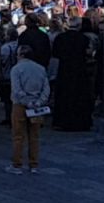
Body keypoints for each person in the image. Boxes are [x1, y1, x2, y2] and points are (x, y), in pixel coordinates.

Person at [8, 45, 50, 175]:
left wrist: (27, 101)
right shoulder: (41, 69)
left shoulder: (16, 69)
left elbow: (17, 89)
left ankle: (17, 164)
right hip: (37, 105)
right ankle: (33, 164)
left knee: (18, 136)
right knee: (34, 136)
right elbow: (46, 88)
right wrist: (39, 101)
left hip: (20, 105)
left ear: (21, 55)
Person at [50, 17, 94, 132]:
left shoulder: (60, 38)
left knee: (64, 96)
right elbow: (88, 53)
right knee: (79, 97)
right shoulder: (83, 38)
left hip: (64, 70)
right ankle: (80, 122)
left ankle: (62, 122)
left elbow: (55, 54)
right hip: (79, 70)